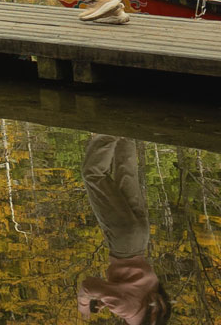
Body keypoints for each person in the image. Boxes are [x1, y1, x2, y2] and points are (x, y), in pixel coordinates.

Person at [79, 134, 171, 323]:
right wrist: (83, 304)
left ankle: (125, 130)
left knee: (125, 173)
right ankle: (108, 130)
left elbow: (129, 291)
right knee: (93, 174)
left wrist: (106, 300)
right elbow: (88, 285)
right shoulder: (131, 312)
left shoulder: (155, 313)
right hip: (123, 242)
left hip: (141, 240)